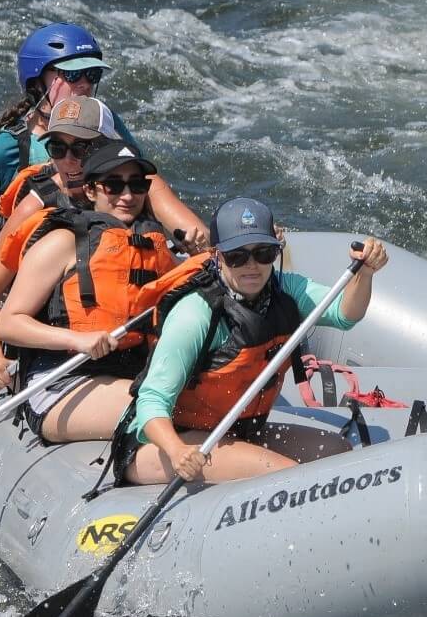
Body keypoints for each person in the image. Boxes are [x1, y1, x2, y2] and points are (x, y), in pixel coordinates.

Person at [0, 23, 207, 363]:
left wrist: (215, 246)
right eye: (71, 75)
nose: (84, 85)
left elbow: (155, 197)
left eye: (91, 74)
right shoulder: (4, 153)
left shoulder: (106, 125)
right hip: (43, 294)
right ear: (39, 82)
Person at [120, 199, 389, 486]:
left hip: (237, 431)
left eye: (263, 253)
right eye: (237, 256)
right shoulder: (195, 313)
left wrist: (365, 274)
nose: (252, 266)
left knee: (339, 452)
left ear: (276, 251)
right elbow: (152, 400)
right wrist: (177, 451)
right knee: (289, 477)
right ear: (218, 256)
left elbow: (345, 314)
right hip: (167, 443)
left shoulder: (286, 289)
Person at [0, 139, 181, 443]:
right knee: (165, 407)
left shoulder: (155, 248)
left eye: (136, 185)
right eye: (114, 185)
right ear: (91, 190)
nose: (127, 195)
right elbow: (7, 323)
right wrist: (78, 340)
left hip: (127, 372)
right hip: (62, 379)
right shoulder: (62, 242)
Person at [0, 95, 119, 392]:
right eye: (57, 149)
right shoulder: (33, 208)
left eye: (81, 147)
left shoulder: (130, 189)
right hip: (54, 352)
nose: (69, 160)